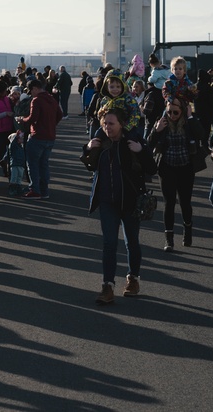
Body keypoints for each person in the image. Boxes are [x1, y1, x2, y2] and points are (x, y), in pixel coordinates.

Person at [84, 108, 153, 305]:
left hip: (130, 202)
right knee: (109, 243)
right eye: (104, 123)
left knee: (132, 242)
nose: (107, 127)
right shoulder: (101, 143)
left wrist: (142, 151)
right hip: (107, 202)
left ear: (121, 124)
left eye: (111, 123)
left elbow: (151, 169)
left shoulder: (132, 142)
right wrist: (88, 149)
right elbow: (90, 166)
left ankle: (133, 279)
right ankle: (108, 286)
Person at [148, 96, 207, 251]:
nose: (172, 116)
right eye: (169, 112)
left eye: (176, 112)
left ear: (182, 111)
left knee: (185, 202)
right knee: (169, 203)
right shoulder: (162, 123)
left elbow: (201, 135)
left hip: (186, 168)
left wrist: (190, 116)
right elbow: (148, 144)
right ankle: (169, 240)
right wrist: (156, 129)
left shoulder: (189, 123)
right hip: (167, 168)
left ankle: (187, 231)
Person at [18, 79, 63, 200]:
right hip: (50, 136)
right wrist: (52, 125)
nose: (30, 93)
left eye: (30, 91)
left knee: (32, 164)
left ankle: (35, 190)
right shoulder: (51, 99)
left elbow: (33, 118)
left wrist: (22, 119)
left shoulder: (36, 100)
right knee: (44, 164)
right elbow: (60, 114)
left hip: (37, 136)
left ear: (35, 88)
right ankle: (44, 191)